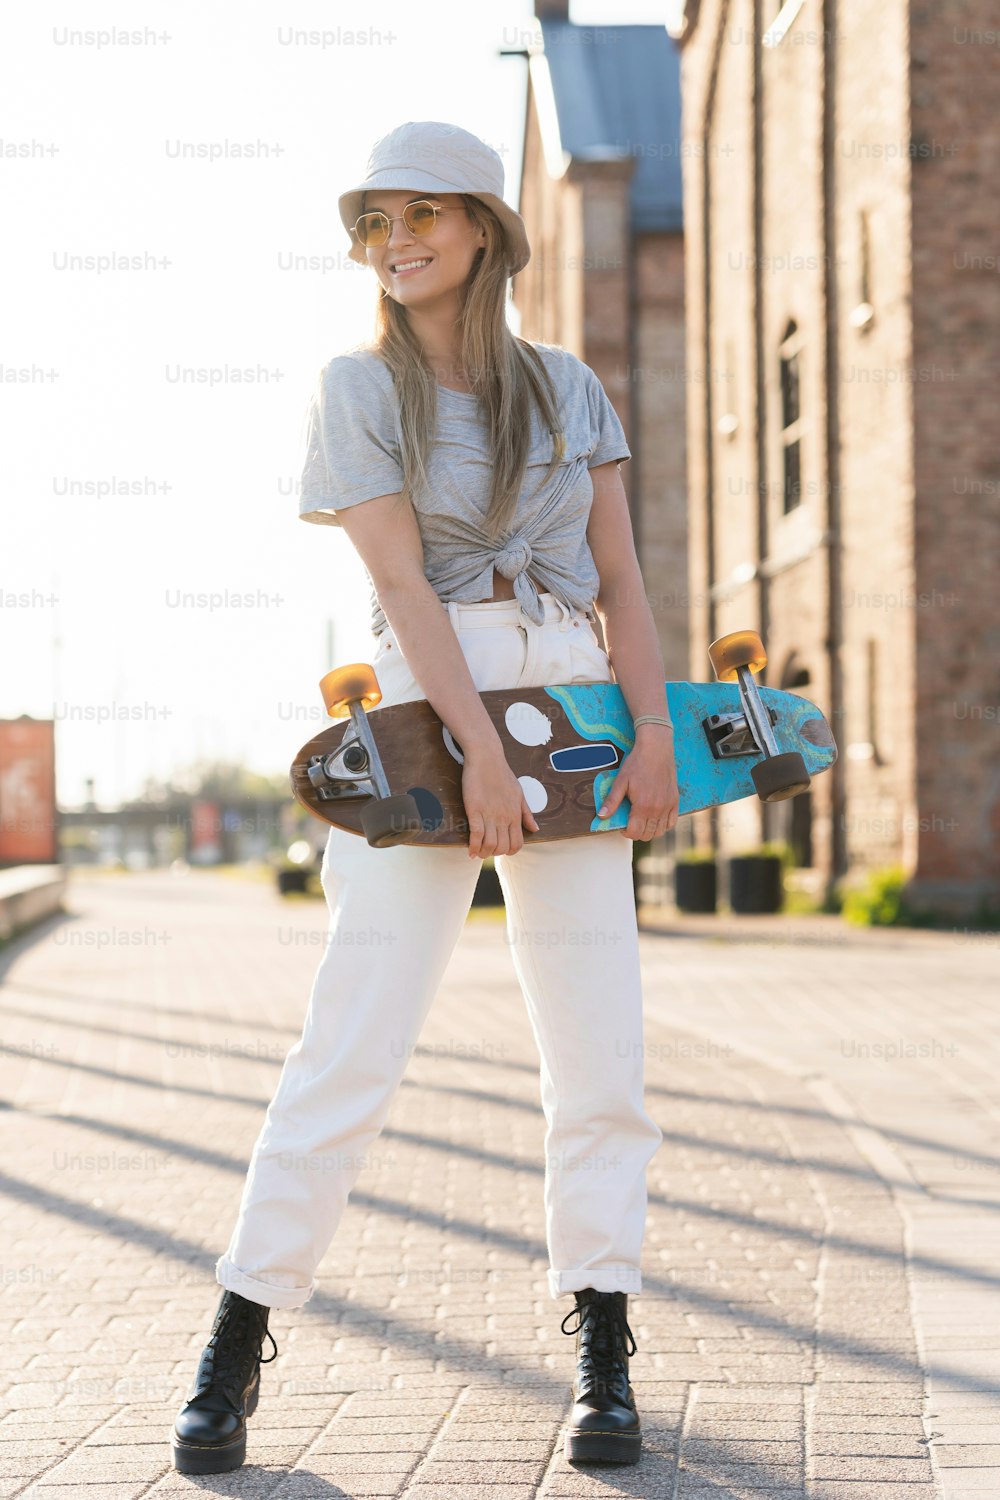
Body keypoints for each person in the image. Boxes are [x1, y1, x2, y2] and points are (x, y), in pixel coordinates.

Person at [171, 120, 679, 1475]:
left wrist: (655, 736)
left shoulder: (570, 387)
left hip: (576, 712)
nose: (394, 243)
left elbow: (622, 577)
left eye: (420, 215)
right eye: (374, 223)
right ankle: (237, 1335)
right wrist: (481, 757)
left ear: (487, 229)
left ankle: (605, 1340)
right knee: (351, 1043)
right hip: (426, 724)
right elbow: (401, 585)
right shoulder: (358, 388)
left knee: (600, 1056)